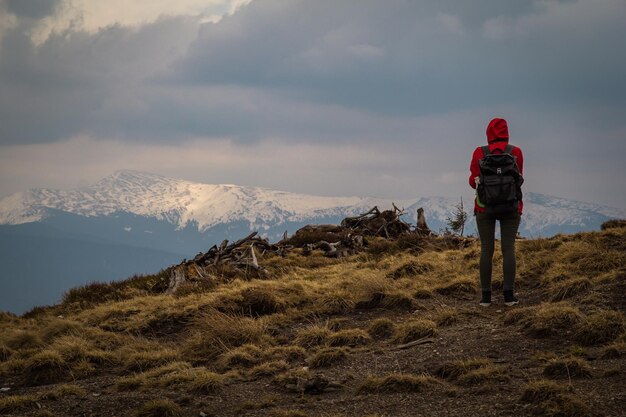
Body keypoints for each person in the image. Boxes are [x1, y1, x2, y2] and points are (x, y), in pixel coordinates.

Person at [469, 117, 523, 307]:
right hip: (511, 207)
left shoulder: (479, 152)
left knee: (486, 249)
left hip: (484, 207)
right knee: (508, 249)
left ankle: (486, 298)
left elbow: (471, 181)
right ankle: (509, 296)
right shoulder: (515, 152)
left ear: (488, 132)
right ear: (506, 132)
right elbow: (519, 178)